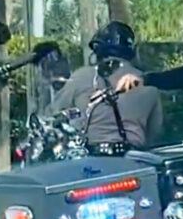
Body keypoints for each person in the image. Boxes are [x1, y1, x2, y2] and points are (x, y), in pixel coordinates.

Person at [51, 21, 163, 150]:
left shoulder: (81, 76)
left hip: (93, 160)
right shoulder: (147, 83)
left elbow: (55, 114)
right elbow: (154, 133)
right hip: (134, 158)